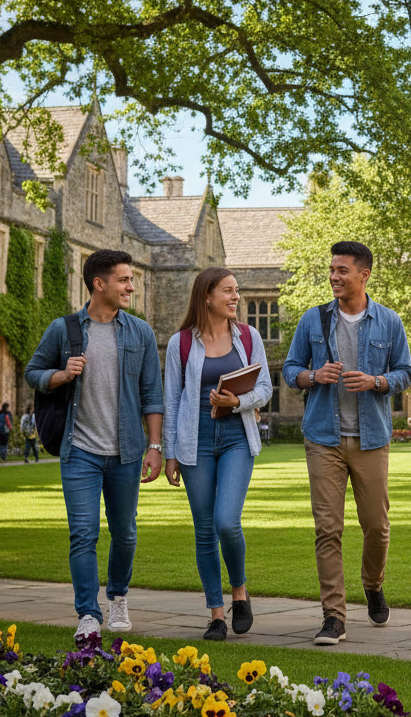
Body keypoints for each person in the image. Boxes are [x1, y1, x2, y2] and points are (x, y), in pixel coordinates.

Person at [25, 249, 165, 640]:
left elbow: (153, 394)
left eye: (131, 279)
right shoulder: (64, 330)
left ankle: (117, 596)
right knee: (83, 533)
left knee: (126, 533)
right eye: (124, 280)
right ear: (98, 284)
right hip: (80, 450)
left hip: (126, 451)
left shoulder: (140, 332)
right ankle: (87, 614)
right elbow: (32, 372)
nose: (131, 286)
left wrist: (155, 446)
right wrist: (59, 375)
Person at [282, 241, 411, 645]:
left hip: (372, 438)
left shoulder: (389, 322)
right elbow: (290, 370)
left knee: (376, 526)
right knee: (327, 529)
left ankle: (373, 584)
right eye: (332, 270)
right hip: (323, 437)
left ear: (364, 275)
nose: (335, 276)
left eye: (343, 270)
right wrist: (312, 376)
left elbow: (405, 373)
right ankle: (333, 616)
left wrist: (377, 382)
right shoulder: (313, 320)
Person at [161, 267, 272, 641]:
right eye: (228, 290)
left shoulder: (247, 336)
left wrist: (237, 400)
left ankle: (239, 592)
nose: (235, 296)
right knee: (204, 530)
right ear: (207, 296)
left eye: (237, 290)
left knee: (227, 521)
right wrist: (170, 454)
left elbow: (266, 388)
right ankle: (215, 614)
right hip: (196, 440)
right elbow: (172, 400)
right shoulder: (180, 343)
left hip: (237, 436)